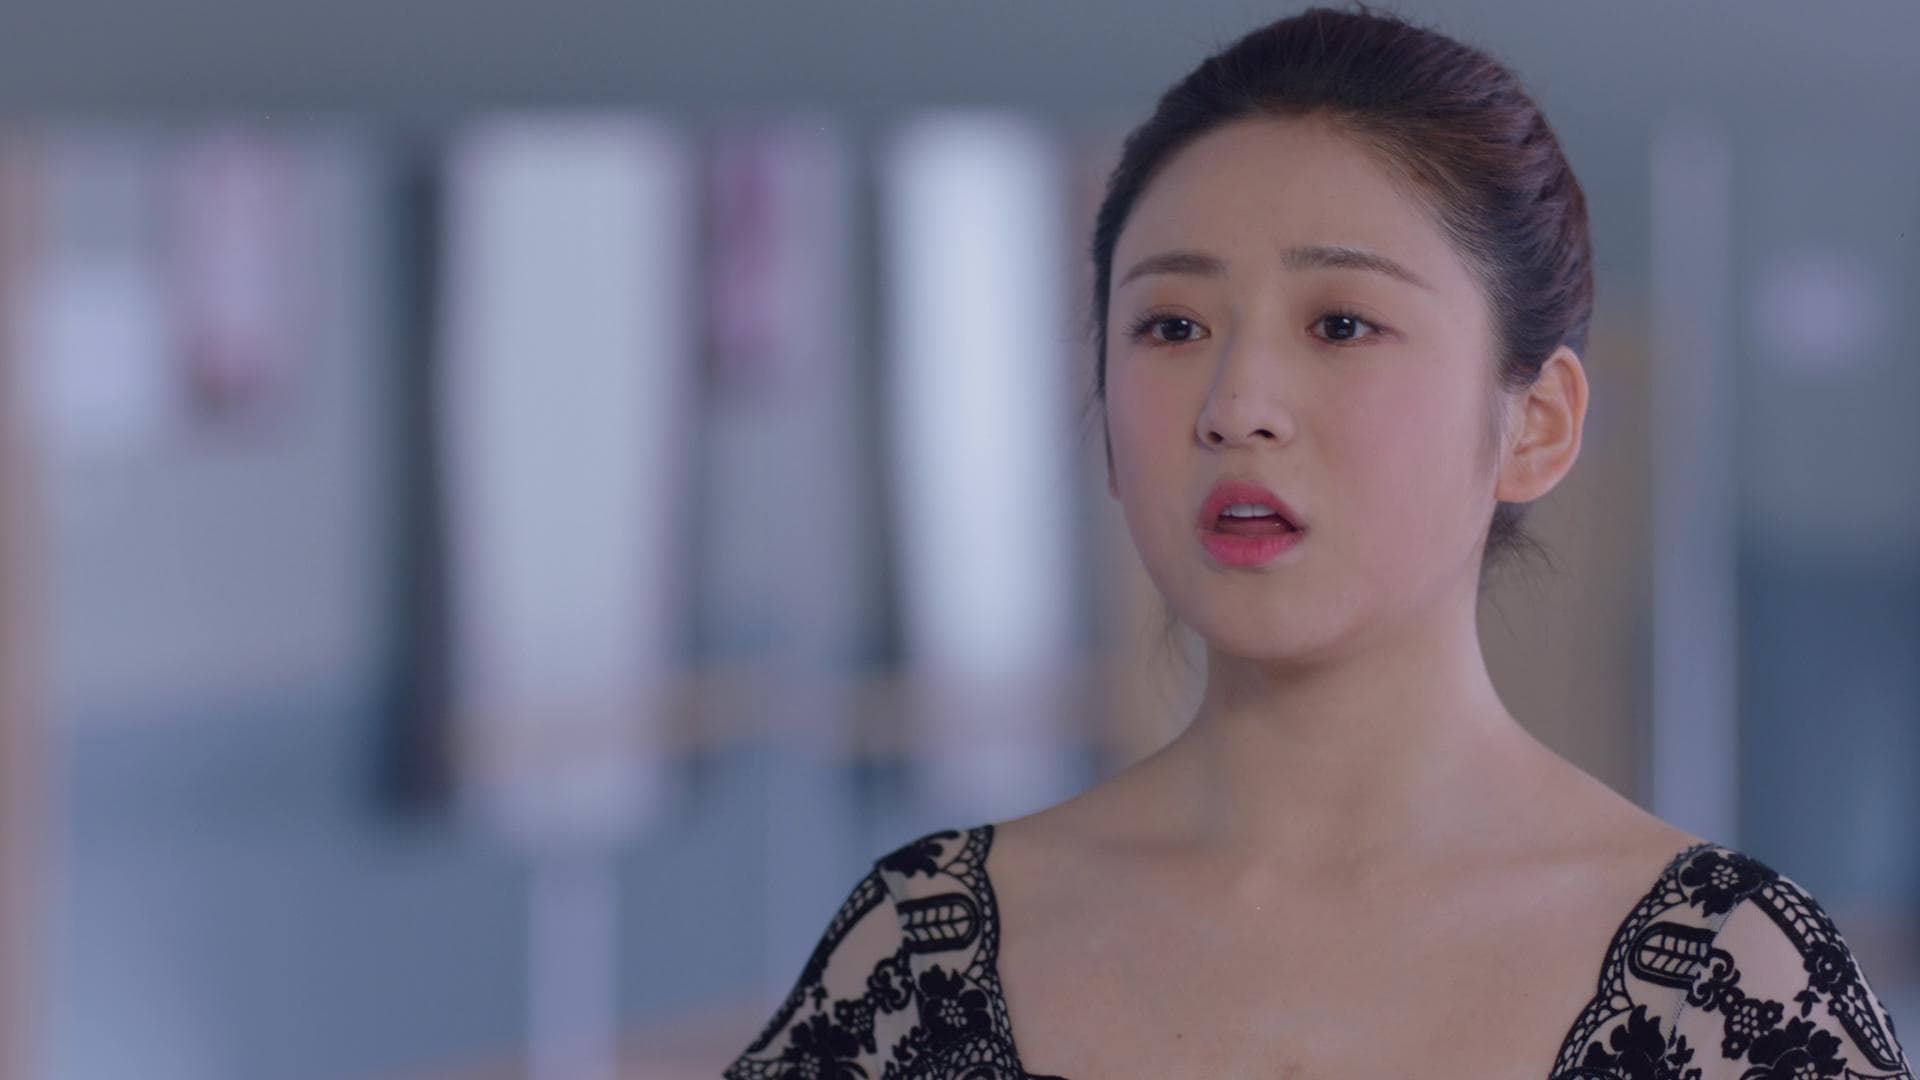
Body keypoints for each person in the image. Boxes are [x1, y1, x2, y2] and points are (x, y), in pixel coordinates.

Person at [724, 7, 1914, 1078]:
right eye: (1171, 325)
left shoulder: (1730, 988)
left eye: (1340, 323)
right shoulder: (922, 957)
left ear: (1537, 425)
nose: (1234, 403)